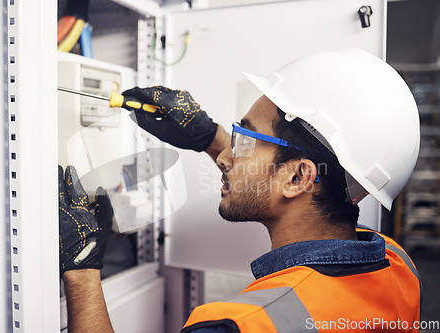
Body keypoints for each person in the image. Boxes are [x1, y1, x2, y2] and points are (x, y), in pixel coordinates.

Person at [58, 48, 422, 333]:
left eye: (245, 141)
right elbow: (273, 173)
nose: (227, 155)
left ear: (298, 179)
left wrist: (82, 272)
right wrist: (208, 137)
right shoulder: (394, 264)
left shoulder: (241, 326)